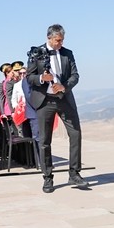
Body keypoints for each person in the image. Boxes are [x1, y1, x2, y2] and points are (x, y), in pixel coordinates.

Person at [25, 25, 87, 193]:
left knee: (76, 134)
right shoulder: (36, 52)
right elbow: (29, 77)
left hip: (64, 99)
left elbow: (75, 75)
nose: (60, 43)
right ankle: (48, 177)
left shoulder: (68, 53)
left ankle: (74, 173)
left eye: (62, 40)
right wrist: (41, 78)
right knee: (45, 141)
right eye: (58, 40)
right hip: (45, 101)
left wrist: (64, 87)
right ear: (49, 38)